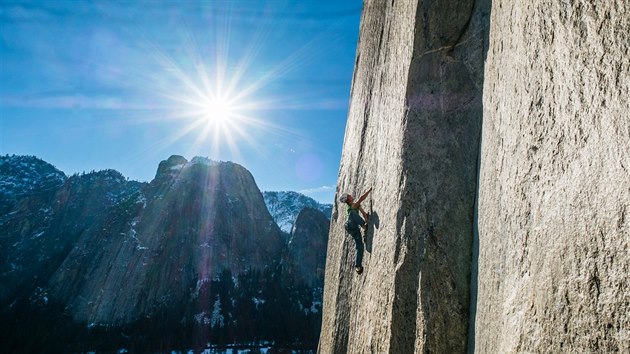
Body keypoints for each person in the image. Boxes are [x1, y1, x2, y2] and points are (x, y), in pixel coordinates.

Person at [339, 187, 372, 274]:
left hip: (354, 229)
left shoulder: (355, 205)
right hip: (350, 226)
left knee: (360, 246)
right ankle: (364, 227)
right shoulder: (351, 207)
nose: (351, 195)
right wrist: (369, 190)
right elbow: (361, 199)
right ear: (348, 200)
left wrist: (366, 218)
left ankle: (358, 266)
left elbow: (363, 212)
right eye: (349, 196)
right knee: (353, 213)